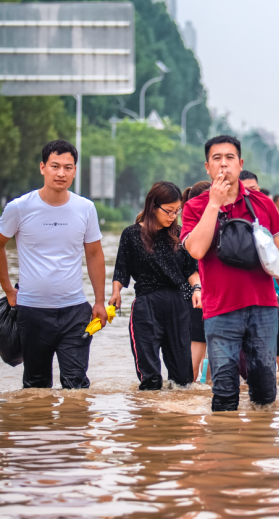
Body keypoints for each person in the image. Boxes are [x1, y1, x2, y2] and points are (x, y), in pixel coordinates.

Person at [182, 135, 279, 411]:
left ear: (240, 163)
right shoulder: (195, 206)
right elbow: (197, 250)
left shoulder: (263, 204)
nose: (224, 164)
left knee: (264, 393)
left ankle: (258, 446)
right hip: (220, 311)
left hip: (264, 309)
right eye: (217, 159)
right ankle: (226, 452)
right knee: (223, 392)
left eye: (230, 158)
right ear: (207, 167)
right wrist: (214, 204)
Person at [0, 139, 108, 389]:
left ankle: (73, 429)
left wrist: (100, 301)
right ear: (42, 167)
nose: (61, 173)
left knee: (76, 386)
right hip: (31, 311)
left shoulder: (85, 208)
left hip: (75, 311)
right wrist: (7, 289)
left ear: (75, 171)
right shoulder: (19, 207)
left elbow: (94, 255)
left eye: (68, 167)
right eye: (55, 166)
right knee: (36, 387)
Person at [111, 182, 199, 390]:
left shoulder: (180, 234)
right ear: (153, 206)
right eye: (168, 211)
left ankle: (176, 418)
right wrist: (116, 292)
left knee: (183, 380)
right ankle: (149, 417)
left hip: (178, 304)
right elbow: (121, 269)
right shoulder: (131, 234)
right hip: (146, 305)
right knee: (150, 379)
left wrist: (197, 289)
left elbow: (191, 271)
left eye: (177, 211)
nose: (172, 216)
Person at [182, 180, 211, 381]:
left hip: (215, 300)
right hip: (196, 302)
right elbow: (190, 268)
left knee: (213, 372)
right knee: (192, 370)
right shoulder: (187, 234)